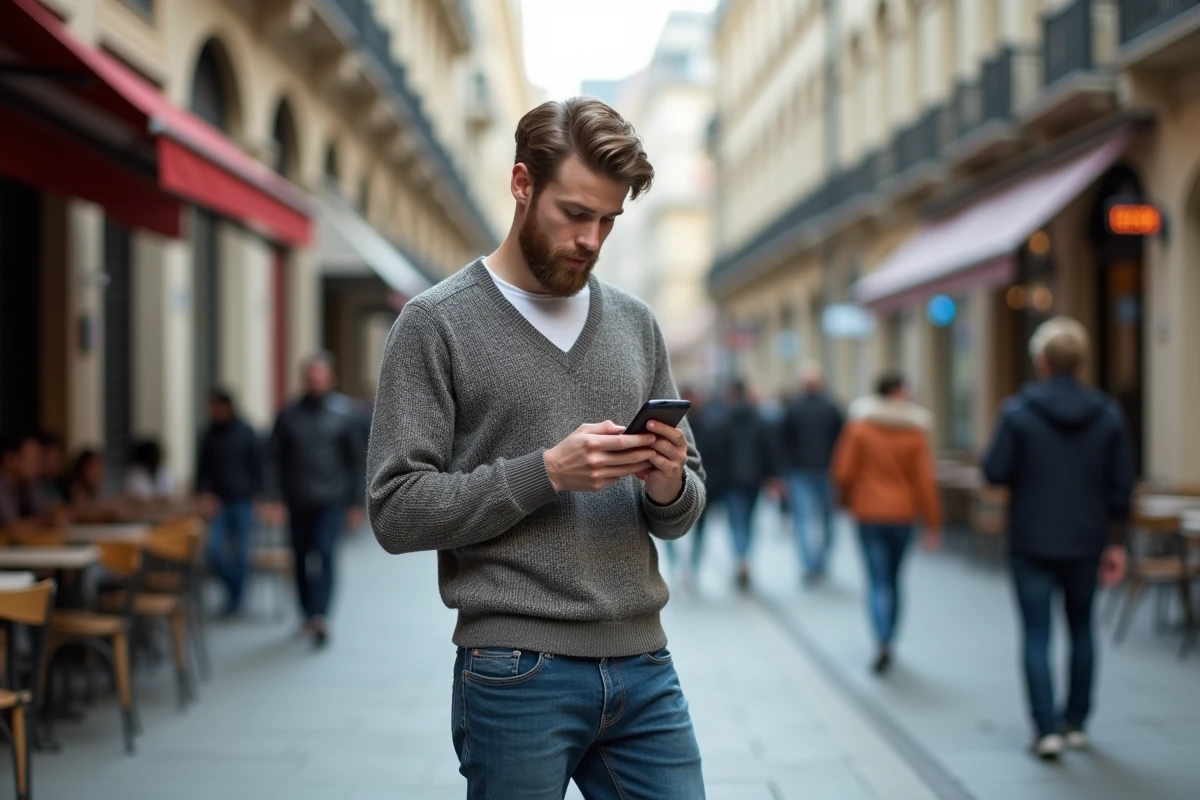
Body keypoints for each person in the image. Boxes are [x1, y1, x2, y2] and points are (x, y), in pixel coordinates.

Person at [366, 97, 707, 799]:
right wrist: (547, 471)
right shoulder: (435, 324)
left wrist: (668, 484)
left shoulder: (637, 325)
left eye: (608, 220)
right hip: (516, 668)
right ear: (522, 185)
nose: (592, 238)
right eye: (575, 214)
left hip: (643, 662)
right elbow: (396, 511)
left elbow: (684, 509)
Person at [981, 317, 1132, 761]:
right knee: (1083, 628)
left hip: (1031, 538)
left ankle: (1045, 728)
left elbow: (994, 471)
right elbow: (1121, 484)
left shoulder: (1018, 411)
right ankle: (1077, 722)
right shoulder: (1107, 414)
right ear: (1081, 362)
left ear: (1041, 362)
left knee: (1035, 633)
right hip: (1088, 538)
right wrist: (1118, 541)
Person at [832, 372, 940, 675]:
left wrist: (845, 502)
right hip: (903, 515)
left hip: (868, 513)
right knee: (893, 579)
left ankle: (880, 640)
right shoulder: (915, 431)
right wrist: (933, 523)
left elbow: (843, 472)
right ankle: (890, 638)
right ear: (897, 392)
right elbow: (924, 481)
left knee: (877, 579)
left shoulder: (861, 427)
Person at [270, 353, 365, 647]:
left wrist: (356, 504)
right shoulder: (288, 415)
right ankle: (306, 613)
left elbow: (356, 461)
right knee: (299, 557)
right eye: (312, 377)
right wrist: (273, 498)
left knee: (324, 553)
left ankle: (320, 616)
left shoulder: (344, 414)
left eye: (321, 377)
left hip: (331, 499)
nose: (316, 382)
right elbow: (274, 459)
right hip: (296, 500)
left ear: (330, 379)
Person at [196, 389, 265, 616]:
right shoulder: (209, 434)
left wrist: (259, 497)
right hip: (219, 504)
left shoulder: (246, 432)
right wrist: (203, 494)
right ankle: (235, 591)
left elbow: (259, 467)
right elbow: (202, 469)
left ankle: (236, 600)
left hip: (243, 502)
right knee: (213, 550)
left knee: (242, 555)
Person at [780, 361, 844, 585]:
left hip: (800, 472)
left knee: (804, 521)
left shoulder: (794, 408)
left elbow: (784, 441)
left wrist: (784, 471)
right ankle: (820, 563)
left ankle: (809, 566)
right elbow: (841, 439)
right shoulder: (832, 407)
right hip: (827, 470)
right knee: (827, 521)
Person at [662, 386, 725, 588]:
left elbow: (715, 459)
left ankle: (689, 567)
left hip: (701, 484)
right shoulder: (708, 425)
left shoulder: (707, 425)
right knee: (674, 526)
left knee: (692, 528)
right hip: (688, 484)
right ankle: (685, 567)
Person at [721, 379, 774, 591]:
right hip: (754, 479)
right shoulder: (758, 419)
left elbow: (718, 453)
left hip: (731, 479)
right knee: (750, 521)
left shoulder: (725, 420)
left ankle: (740, 557)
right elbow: (768, 449)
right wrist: (772, 475)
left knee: (736, 522)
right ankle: (746, 558)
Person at [0, 433, 64, 528]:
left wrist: (53, 514)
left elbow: (44, 511)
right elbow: (12, 526)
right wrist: (47, 521)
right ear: (10, 459)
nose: (38, 466)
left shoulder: (29, 482)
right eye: (32, 460)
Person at [36, 431, 69, 506]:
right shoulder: (31, 484)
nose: (58, 463)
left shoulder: (57, 482)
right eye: (54, 458)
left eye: (59, 458)